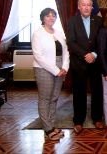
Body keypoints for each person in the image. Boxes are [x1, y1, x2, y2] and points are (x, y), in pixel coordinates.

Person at [67, 0, 103, 134]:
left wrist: (93, 54)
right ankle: (78, 120)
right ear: (79, 6)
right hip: (79, 63)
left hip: (95, 62)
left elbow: (102, 41)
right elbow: (71, 42)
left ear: (92, 7)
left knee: (97, 91)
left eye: (89, 5)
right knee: (79, 93)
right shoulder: (72, 21)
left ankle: (97, 118)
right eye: (84, 4)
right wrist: (85, 54)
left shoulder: (99, 20)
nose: (87, 7)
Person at [32, 8, 69, 141]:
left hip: (60, 69)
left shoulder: (59, 33)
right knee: (45, 99)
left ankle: (52, 126)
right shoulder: (38, 34)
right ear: (43, 18)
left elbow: (66, 52)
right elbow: (38, 56)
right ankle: (47, 129)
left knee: (54, 98)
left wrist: (64, 67)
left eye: (53, 16)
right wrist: (55, 70)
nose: (51, 18)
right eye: (48, 16)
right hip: (44, 69)